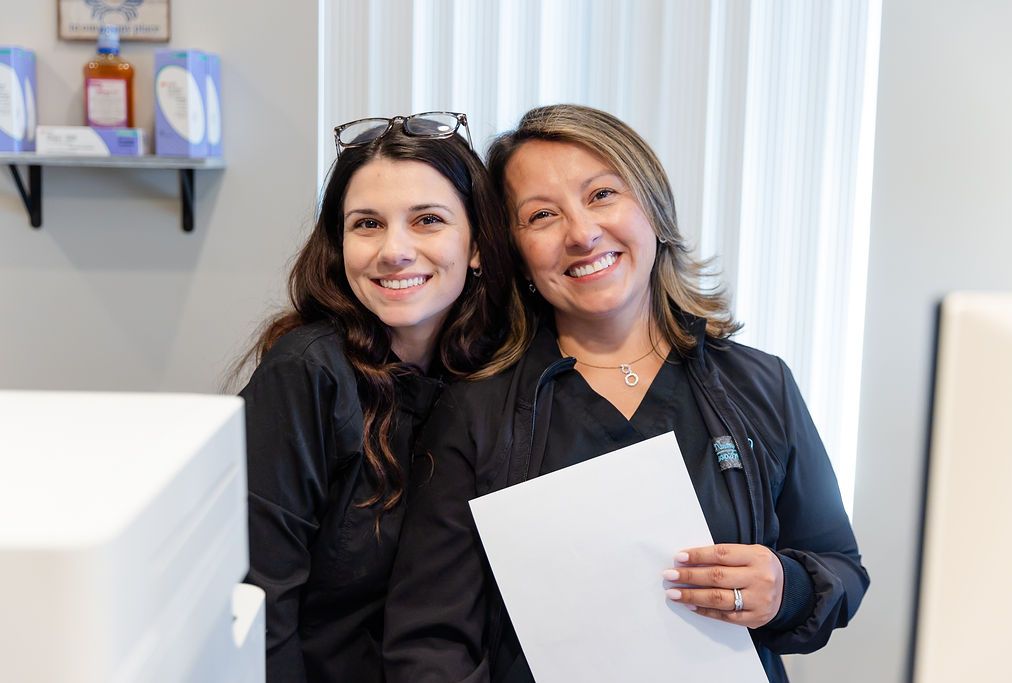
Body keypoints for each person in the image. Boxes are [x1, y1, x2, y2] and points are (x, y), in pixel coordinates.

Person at [384, 104, 869, 683]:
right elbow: (428, 641)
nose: (582, 234)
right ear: (514, 251)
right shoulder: (475, 410)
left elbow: (841, 570)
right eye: (541, 215)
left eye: (602, 195)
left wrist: (784, 589)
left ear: (653, 207)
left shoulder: (760, 385)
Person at [236, 112, 512, 683]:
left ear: (479, 244)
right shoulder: (308, 375)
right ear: (339, 245)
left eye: (428, 220)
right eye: (367, 224)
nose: (394, 251)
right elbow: (260, 606)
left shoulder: (499, 369)